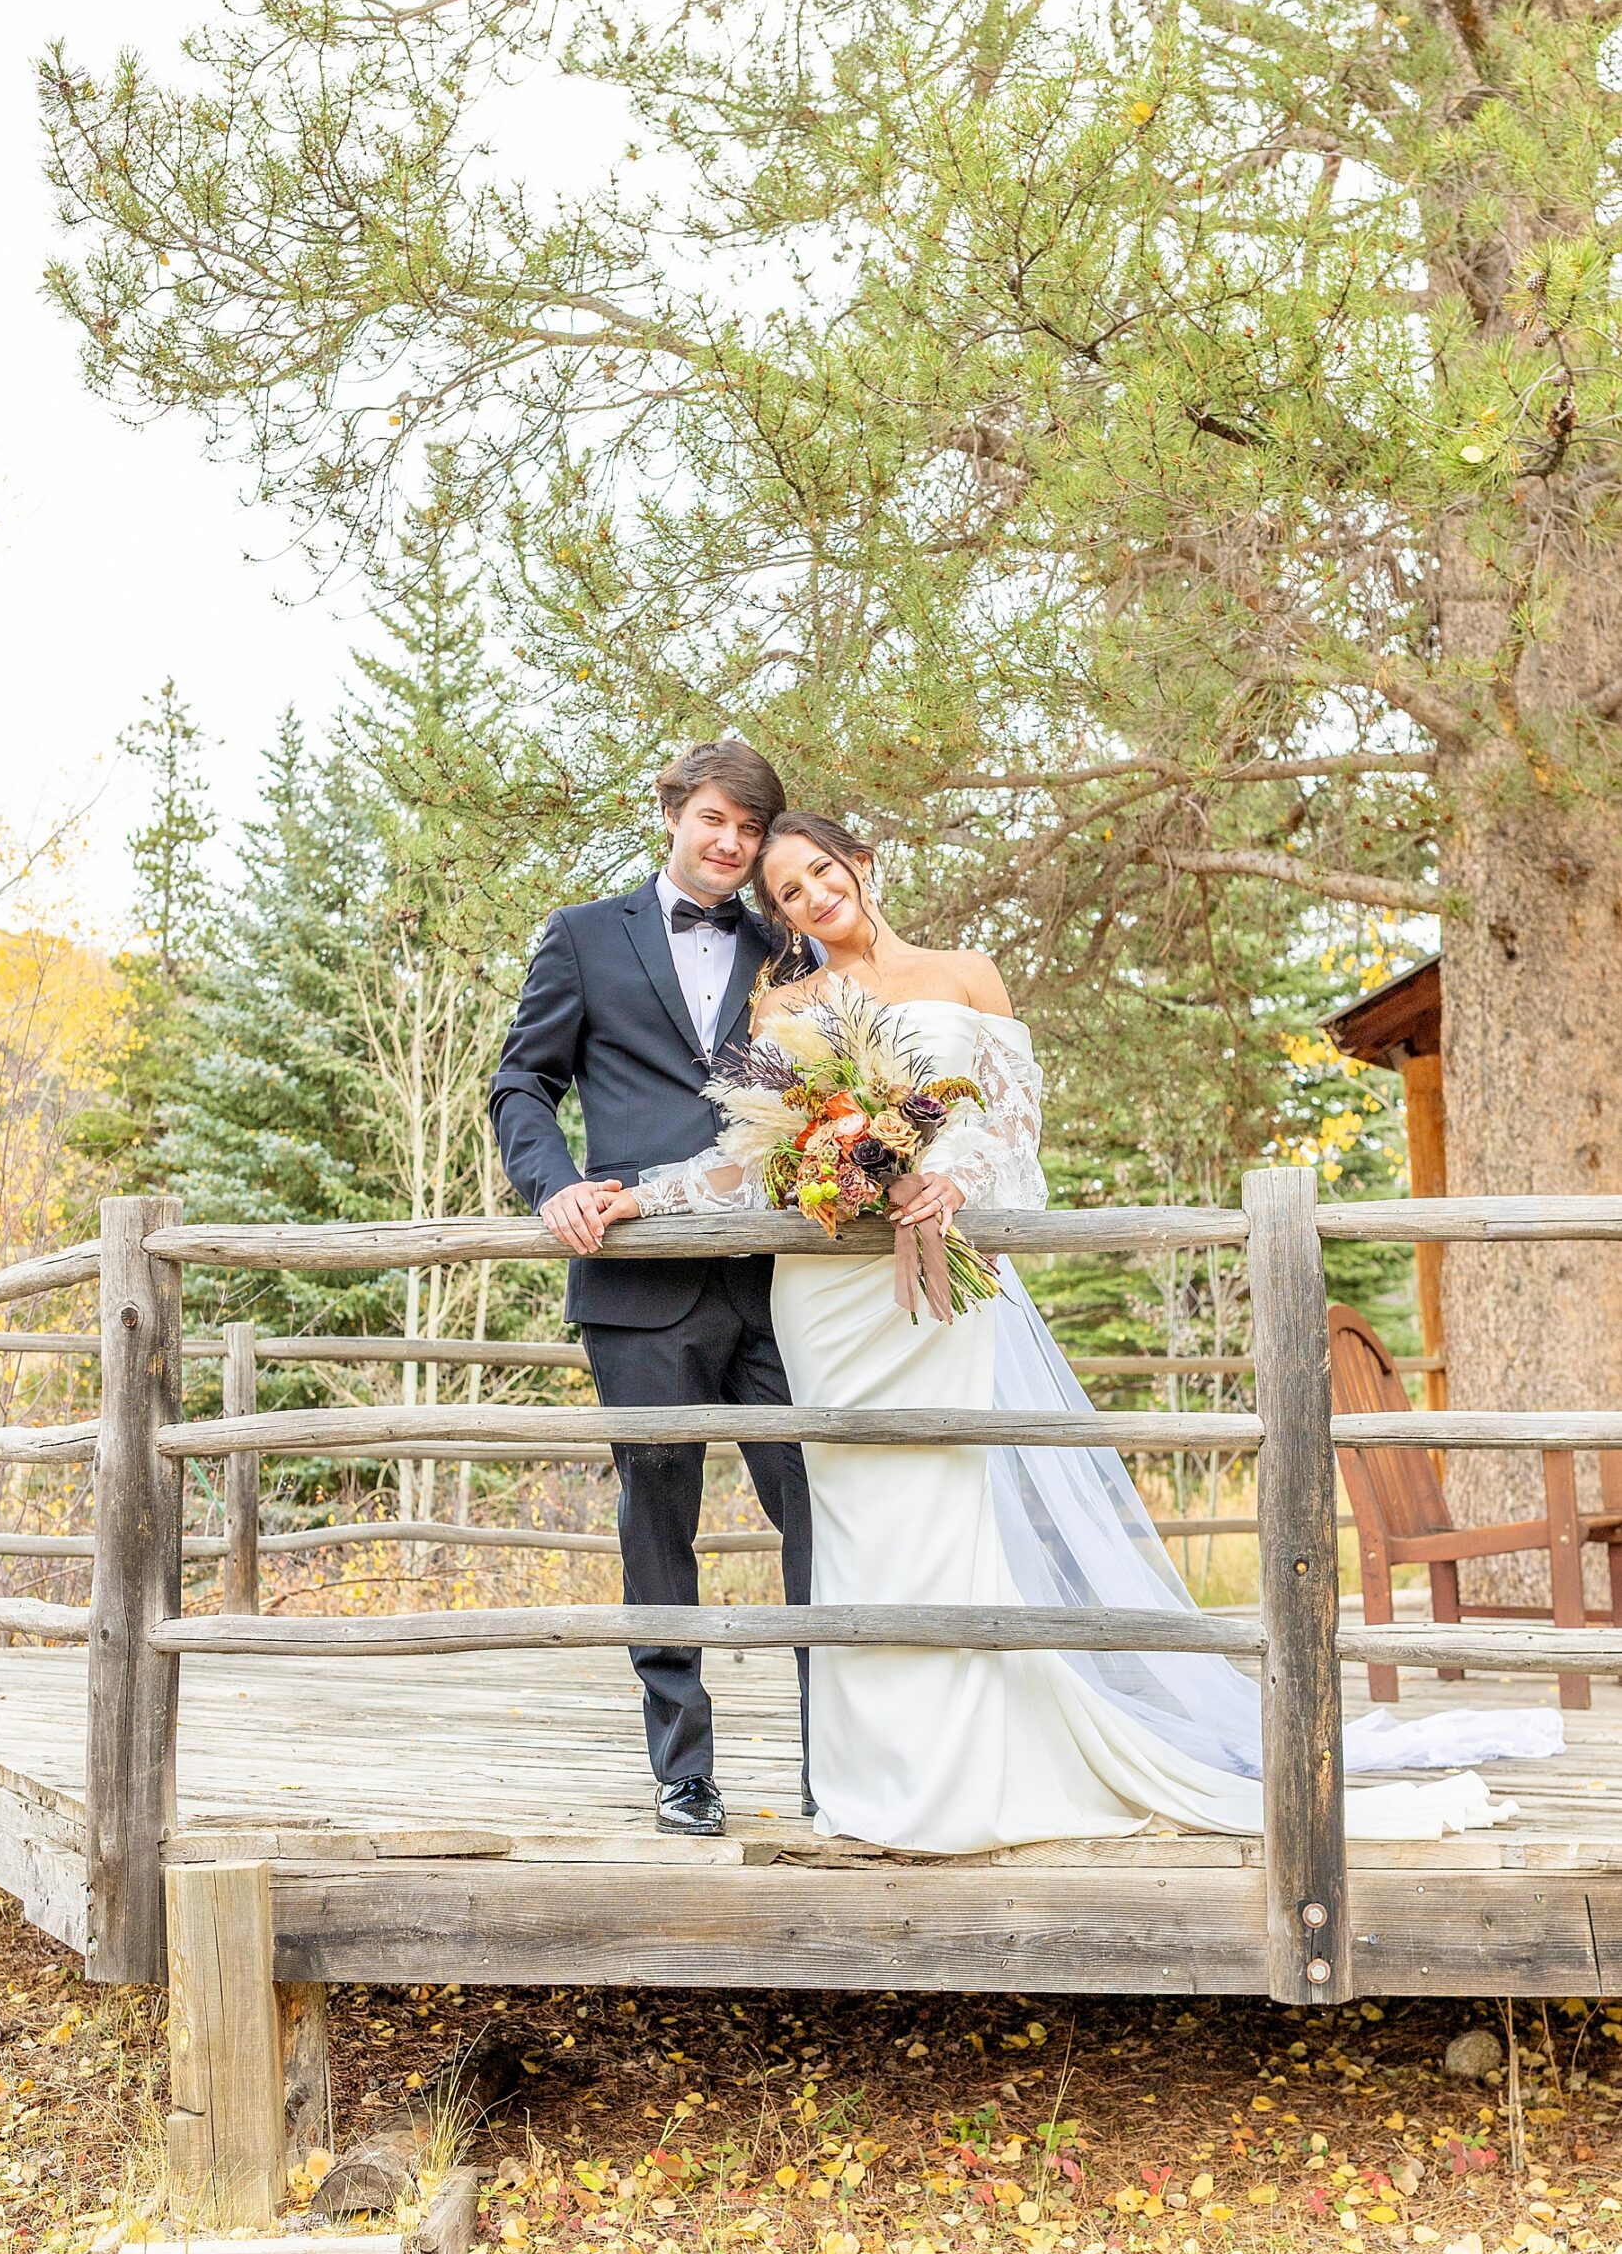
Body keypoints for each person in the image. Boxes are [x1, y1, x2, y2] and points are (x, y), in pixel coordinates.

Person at [598, 809, 1563, 1853]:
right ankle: (876, 1778)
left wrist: (947, 1175)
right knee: (860, 1523)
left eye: (821, 873)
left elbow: (1016, 1136)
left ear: (862, 865)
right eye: (787, 893)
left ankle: (978, 1770)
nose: (811, 899)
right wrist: (648, 1199)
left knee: (949, 1506)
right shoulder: (786, 1002)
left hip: (935, 1288)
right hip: (830, 1299)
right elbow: (756, 1156)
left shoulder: (968, 972)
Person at [489, 741, 814, 1838]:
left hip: (783, 1280)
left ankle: (843, 1756)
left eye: (752, 830)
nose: (733, 844)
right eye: (715, 819)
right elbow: (521, 1082)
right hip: (637, 1287)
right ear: (671, 810)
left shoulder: (790, 948)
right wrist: (555, 1186)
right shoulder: (584, 936)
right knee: (657, 1523)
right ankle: (683, 1771)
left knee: (821, 1511)